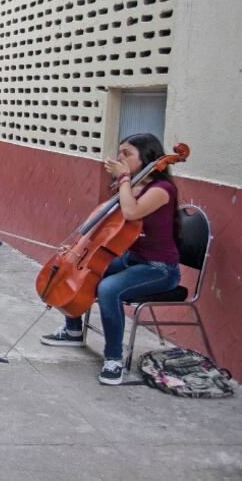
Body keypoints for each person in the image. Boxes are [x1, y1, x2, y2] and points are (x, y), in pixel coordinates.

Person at [41, 133, 183, 386]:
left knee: (108, 289)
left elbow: (131, 211)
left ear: (147, 157)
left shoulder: (162, 190)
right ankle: (73, 329)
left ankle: (113, 360)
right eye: (120, 153)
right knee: (77, 272)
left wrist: (124, 179)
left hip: (159, 269)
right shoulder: (133, 186)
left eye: (127, 154)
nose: (120, 158)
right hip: (132, 259)